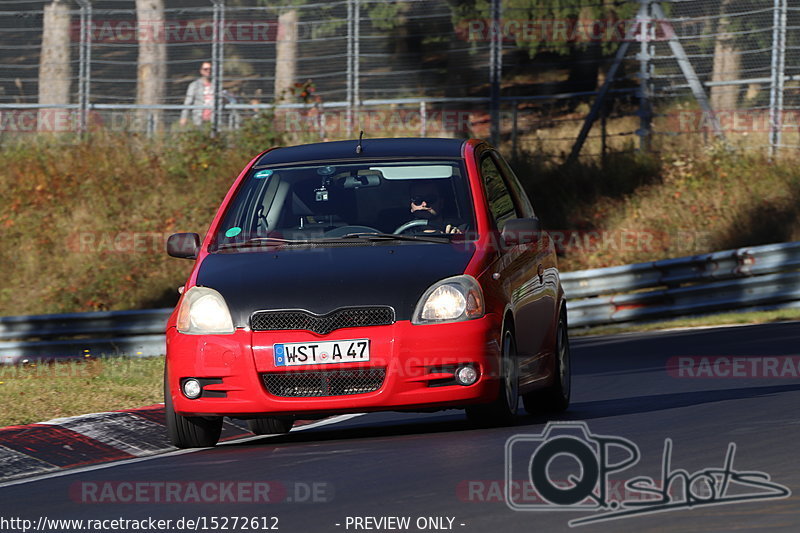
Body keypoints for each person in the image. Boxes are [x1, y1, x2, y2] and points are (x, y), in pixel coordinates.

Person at [180, 62, 214, 127]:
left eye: (210, 69)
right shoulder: (194, 85)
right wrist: (184, 117)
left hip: (213, 119)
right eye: (205, 69)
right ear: (201, 71)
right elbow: (188, 102)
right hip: (199, 118)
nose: (208, 71)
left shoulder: (216, 85)